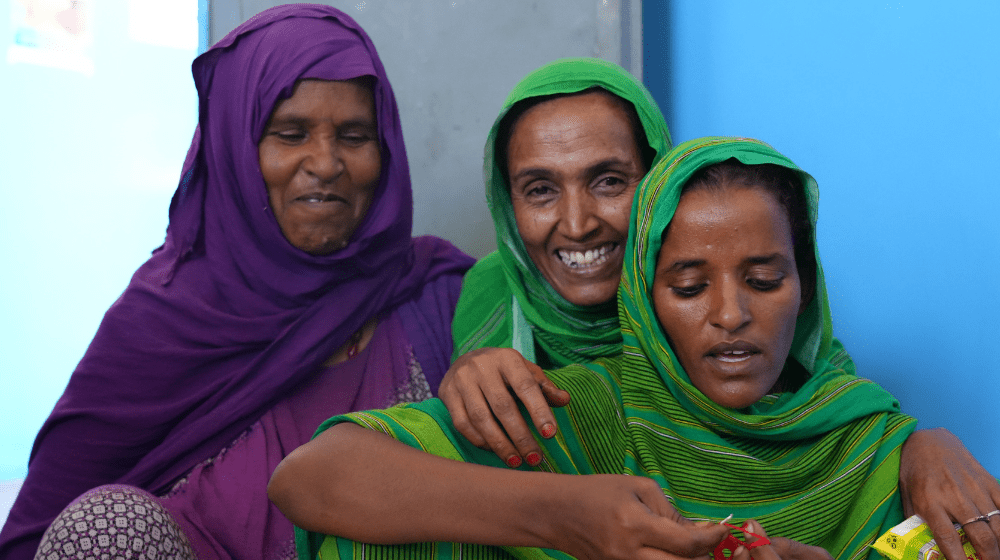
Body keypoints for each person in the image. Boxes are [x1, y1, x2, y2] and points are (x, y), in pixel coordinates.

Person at [271, 136, 1000, 560]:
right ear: (644, 304)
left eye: (765, 278)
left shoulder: (878, 448)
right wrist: (571, 516)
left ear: (805, 288)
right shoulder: (593, 406)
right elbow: (312, 477)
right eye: (687, 286)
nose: (730, 314)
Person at [0, 5, 473, 560]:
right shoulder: (158, 327)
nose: (325, 162)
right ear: (234, 151)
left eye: (354, 135)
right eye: (290, 133)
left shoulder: (435, 293)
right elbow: (37, 540)